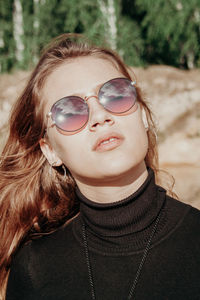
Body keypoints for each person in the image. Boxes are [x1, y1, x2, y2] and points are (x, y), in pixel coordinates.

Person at [0, 33, 200, 300]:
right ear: (50, 151)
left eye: (115, 94)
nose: (100, 116)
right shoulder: (33, 270)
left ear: (142, 115)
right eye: (70, 111)